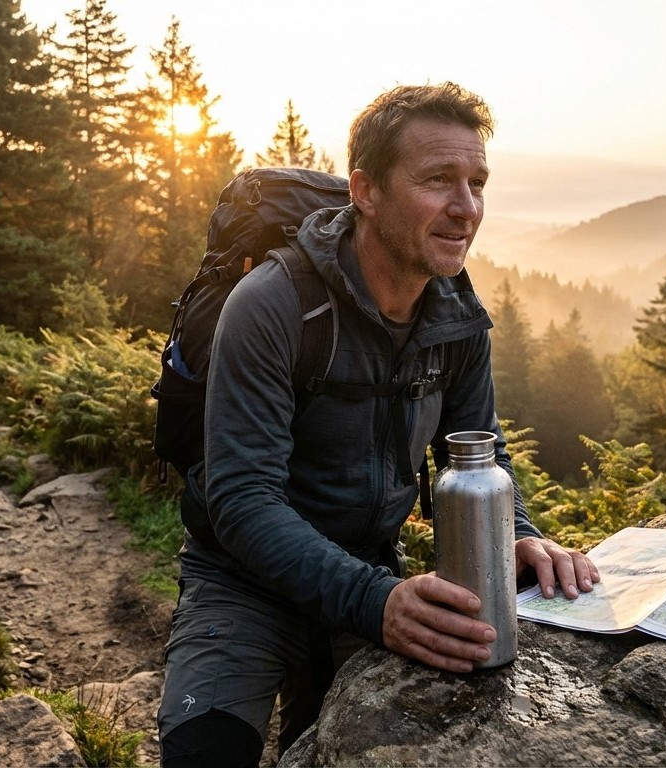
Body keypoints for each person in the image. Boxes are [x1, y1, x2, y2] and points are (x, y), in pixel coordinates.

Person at [156, 82, 601, 768]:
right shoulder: (274, 305)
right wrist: (376, 602)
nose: (466, 207)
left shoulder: (453, 314)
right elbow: (240, 500)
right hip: (240, 581)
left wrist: (519, 535)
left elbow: (480, 451)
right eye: (437, 180)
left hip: (371, 572)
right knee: (204, 754)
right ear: (364, 191)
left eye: (476, 182)